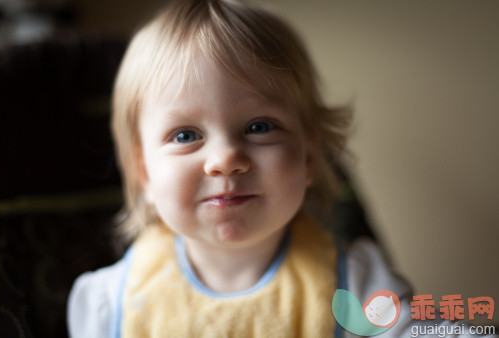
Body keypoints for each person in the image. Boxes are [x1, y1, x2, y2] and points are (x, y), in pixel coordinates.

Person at [67, 1, 496, 337]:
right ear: (145, 174)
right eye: (185, 136)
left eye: (259, 127)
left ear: (310, 157)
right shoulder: (111, 304)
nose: (225, 159)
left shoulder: (351, 283)